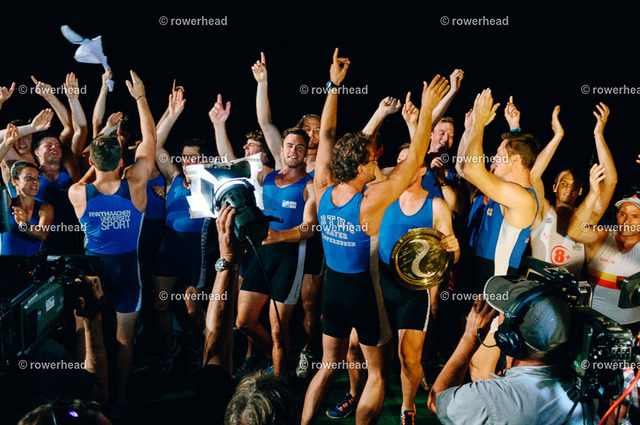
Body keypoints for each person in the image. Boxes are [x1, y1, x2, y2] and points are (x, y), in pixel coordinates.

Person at [301, 48, 449, 424]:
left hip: (333, 292)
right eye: (371, 159)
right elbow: (414, 161)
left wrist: (334, 86)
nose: (375, 162)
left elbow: (328, 134)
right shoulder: (370, 202)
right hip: (365, 295)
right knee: (377, 374)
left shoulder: (322, 187)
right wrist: (427, 111)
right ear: (362, 166)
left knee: (327, 367)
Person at [327, 143, 461, 424]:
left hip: (413, 292)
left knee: (409, 358)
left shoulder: (435, 205)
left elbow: (451, 252)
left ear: (421, 170)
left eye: (409, 162)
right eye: (399, 161)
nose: (402, 167)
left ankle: (407, 407)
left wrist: (453, 248)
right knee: (354, 347)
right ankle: (354, 394)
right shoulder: (380, 196)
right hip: (378, 286)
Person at [68, 70, 155, 406]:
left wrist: (100, 153)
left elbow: (87, 176)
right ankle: (118, 402)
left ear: (91, 160)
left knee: (87, 333)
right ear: (122, 160)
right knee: (123, 339)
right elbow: (149, 141)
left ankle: (88, 399)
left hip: (93, 271)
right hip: (127, 272)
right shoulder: (136, 183)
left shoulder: (78, 193)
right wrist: (141, 97)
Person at [455, 89, 540, 380]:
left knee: (481, 367)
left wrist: (479, 123)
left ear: (515, 161)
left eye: (500, 155)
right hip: (483, 282)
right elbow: (466, 168)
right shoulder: (509, 192)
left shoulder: (522, 197)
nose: (495, 158)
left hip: (497, 292)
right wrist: (471, 128)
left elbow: (473, 170)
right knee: (471, 362)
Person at [427, 278, 594, 424]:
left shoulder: (488, 397)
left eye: (502, 313)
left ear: (509, 336)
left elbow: (436, 401)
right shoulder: (581, 396)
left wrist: (469, 338)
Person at [236, 127, 316, 376]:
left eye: (300, 147)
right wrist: (218, 126)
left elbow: (310, 227)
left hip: (289, 260)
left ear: (305, 153)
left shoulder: (310, 185)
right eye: (290, 145)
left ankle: (280, 385)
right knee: (243, 322)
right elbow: (233, 163)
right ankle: (275, 358)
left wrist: (279, 236)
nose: (294, 150)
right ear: (281, 150)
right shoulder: (267, 177)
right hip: (261, 256)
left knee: (278, 331)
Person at [152, 85, 209, 374]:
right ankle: (169, 347)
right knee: (160, 305)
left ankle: (198, 346)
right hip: (169, 251)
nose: (188, 161)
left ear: (204, 160)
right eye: (185, 156)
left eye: (194, 157)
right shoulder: (173, 176)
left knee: (192, 309)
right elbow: (154, 146)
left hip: (195, 255)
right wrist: (172, 113)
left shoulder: (211, 183)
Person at [527, 102, 616, 277]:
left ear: (580, 191)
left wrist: (599, 135)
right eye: (564, 183)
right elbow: (533, 176)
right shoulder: (542, 212)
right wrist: (557, 136)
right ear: (554, 187)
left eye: (575, 186)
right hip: (535, 289)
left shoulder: (587, 218)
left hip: (565, 293)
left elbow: (611, 182)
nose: (569, 188)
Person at [567, 168, 640, 327]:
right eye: (623, 214)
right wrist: (593, 194)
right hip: (593, 324)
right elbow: (574, 231)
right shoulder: (603, 236)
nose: (627, 221)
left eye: (635, 216)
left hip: (632, 328)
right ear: (616, 214)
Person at [33, 73, 88, 255]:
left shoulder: (70, 165)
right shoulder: (30, 172)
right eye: (48, 145)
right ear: (37, 152)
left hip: (75, 237)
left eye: (57, 145)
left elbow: (78, 129)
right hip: (42, 241)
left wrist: (54, 97)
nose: (54, 148)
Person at [0, 159, 53, 256]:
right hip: (6, 263)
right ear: (14, 181)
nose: (35, 181)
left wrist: (25, 225)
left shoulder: (45, 208)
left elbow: (43, 234)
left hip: (31, 264)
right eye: (28, 177)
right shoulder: (7, 203)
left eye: (37, 178)